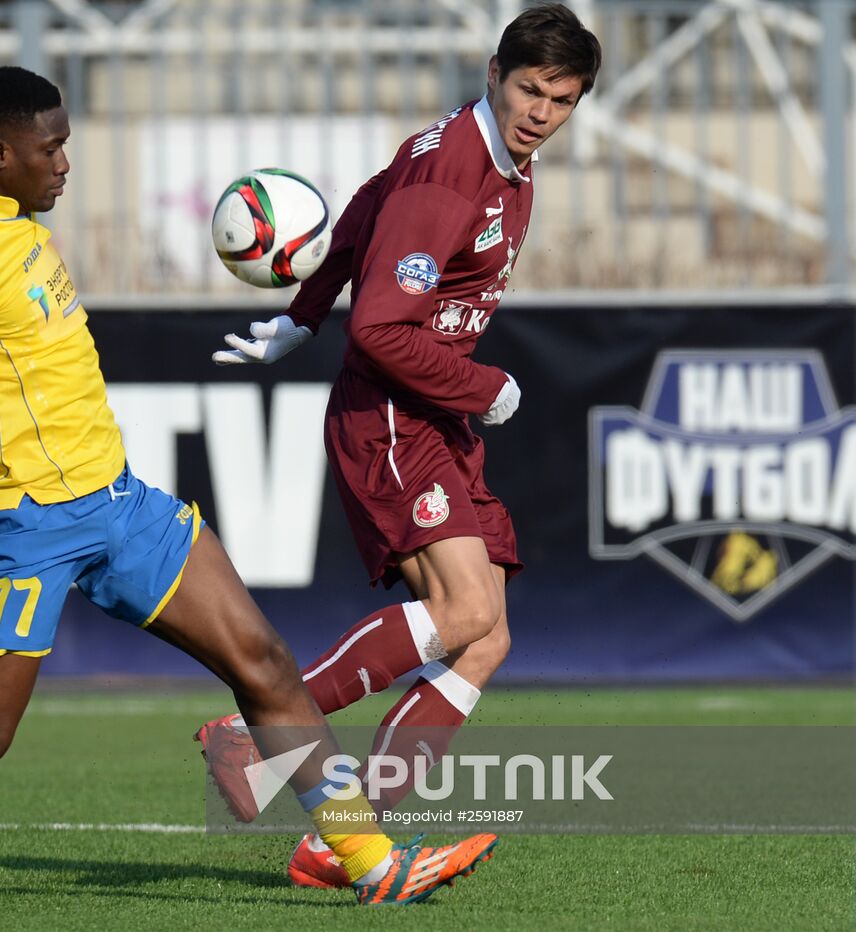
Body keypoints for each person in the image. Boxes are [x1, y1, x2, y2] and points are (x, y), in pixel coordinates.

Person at [0, 66, 496, 914]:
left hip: (120, 507)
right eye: (53, 149)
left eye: (67, 143)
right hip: (22, 526)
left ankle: (373, 865)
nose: (67, 164)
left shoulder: (18, 218)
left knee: (262, 663)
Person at [196, 2, 602, 889]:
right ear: (494, 74)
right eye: (528, 89)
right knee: (463, 615)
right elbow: (381, 333)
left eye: (561, 99)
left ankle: (341, 839)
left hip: (429, 413)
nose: (540, 111)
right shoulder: (452, 175)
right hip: (394, 412)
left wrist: (301, 318)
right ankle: (255, 737)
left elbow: (360, 215)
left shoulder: (483, 156)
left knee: (484, 639)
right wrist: (487, 387)